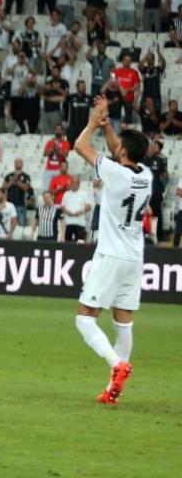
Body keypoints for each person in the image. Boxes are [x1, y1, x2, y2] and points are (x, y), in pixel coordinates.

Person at [73, 96, 151, 404]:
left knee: (84, 318)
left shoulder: (115, 173)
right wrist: (109, 129)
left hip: (111, 254)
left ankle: (117, 365)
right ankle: (112, 390)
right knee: (123, 322)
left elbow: (80, 146)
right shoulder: (145, 174)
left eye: (118, 147)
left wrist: (93, 123)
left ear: (122, 153)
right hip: (134, 256)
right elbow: (123, 150)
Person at [3, 158, 33, 229]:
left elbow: (26, 188)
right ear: (14, 164)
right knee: (8, 224)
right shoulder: (8, 176)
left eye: (19, 162)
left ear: (22, 164)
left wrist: (17, 182)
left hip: (21, 204)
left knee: (21, 224)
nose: (18, 164)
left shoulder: (26, 176)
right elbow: (4, 187)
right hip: (9, 205)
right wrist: (11, 182)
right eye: (16, 162)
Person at [60, 176, 92, 242]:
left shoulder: (84, 193)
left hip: (80, 223)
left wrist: (80, 212)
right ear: (70, 183)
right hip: (68, 223)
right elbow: (62, 206)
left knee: (80, 244)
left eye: (76, 182)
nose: (74, 184)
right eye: (72, 182)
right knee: (67, 244)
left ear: (79, 183)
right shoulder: (66, 194)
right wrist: (68, 212)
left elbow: (89, 206)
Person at [43, 126, 71, 191]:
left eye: (60, 129)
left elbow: (65, 155)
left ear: (62, 131)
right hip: (48, 169)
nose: (58, 131)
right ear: (54, 131)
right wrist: (52, 148)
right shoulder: (49, 142)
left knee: (58, 189)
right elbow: (45, 154)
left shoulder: (65, 143)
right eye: (56, 129)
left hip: (59, 170)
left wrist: (57, 148)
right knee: (46, 190)